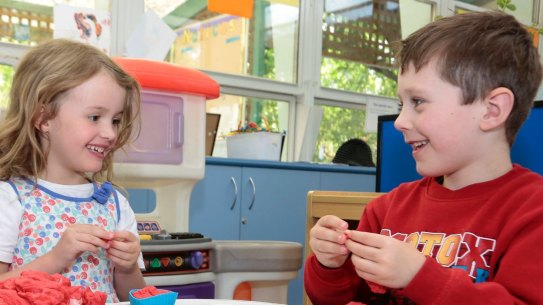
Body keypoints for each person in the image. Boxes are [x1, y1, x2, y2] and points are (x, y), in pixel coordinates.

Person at [304, 11, 543, 305]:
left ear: (492, 110)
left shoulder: (533, 213)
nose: (400, 121)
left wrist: (419, 276)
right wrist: (331, 264)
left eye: (418, 102)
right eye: (401, 103)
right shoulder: (386, 210)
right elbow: (337, 298)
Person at [0, 39, 146, 302]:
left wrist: (128, 267)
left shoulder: (115, 205)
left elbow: (132, 296)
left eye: (115, 120)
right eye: (94, 117)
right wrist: (55, 259)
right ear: (43, 118)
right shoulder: (10, 200)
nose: (110, 133)